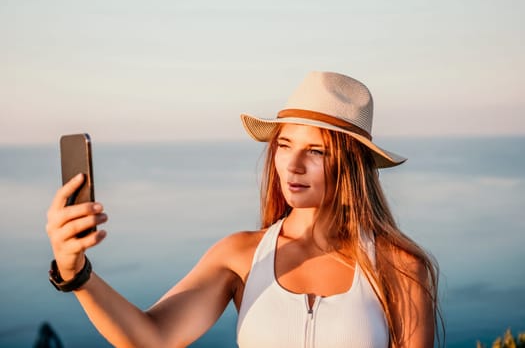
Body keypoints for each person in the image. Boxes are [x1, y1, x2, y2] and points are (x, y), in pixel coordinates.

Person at [46, 71, 442, 347]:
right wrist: (75, 273)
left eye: (315, 151)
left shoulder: (399, 267)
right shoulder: (240, 256)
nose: (292, 165)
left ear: (351, 164)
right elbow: (152, 338)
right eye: (284, 146)